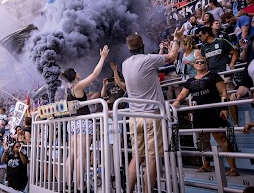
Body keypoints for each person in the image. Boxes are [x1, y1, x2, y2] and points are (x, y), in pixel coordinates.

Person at [122, 27, 183, 193]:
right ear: (142, 46)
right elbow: (172, 56)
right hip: (152, 115)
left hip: (134, 118)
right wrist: (176, 39)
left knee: (137, 157)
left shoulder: (125, 64)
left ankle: (129, 191)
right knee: (153, 157)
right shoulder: (149, 59)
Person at [172, 56, 239, 176]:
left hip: (213, 111)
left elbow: (223, 92)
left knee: (222, 139)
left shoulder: (213, 75)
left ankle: (233, 168)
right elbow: (182, 93)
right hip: (199, 113)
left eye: (202, 62)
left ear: (206, 64)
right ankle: (206, 165)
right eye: (197, 62)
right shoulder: (190, 81)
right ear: (194, 64)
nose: (199, 64)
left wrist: (224, 108)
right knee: (203, 140)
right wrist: (177, 101)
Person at [62, 45, 109, 192]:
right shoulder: (77, 86)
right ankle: (80, 186)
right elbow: (95, 74)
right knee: (81, 156)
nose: (79, 72)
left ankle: (68, 184)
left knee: (73, 154)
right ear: (74, 75)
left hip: (73, 123)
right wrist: (102, 57)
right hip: (82, 123)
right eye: (76, 71)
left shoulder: (68, 88)